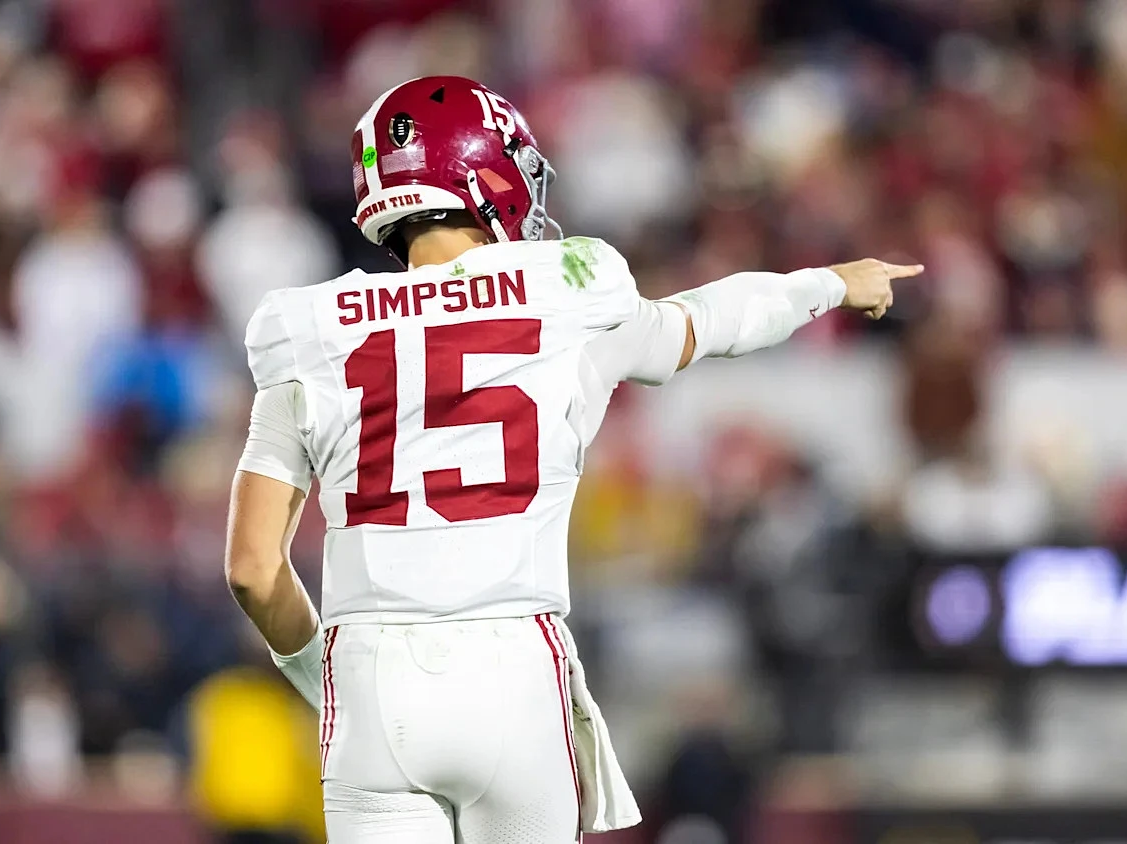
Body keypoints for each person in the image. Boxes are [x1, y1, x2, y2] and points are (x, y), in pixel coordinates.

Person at [224, 75, 921, 844]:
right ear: (484, 174)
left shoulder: (310, 329)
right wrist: (829, 284)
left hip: (369, 672)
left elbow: (253, 569)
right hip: (512, 663)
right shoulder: (569, 289)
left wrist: (319, 679)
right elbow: (707, 320)